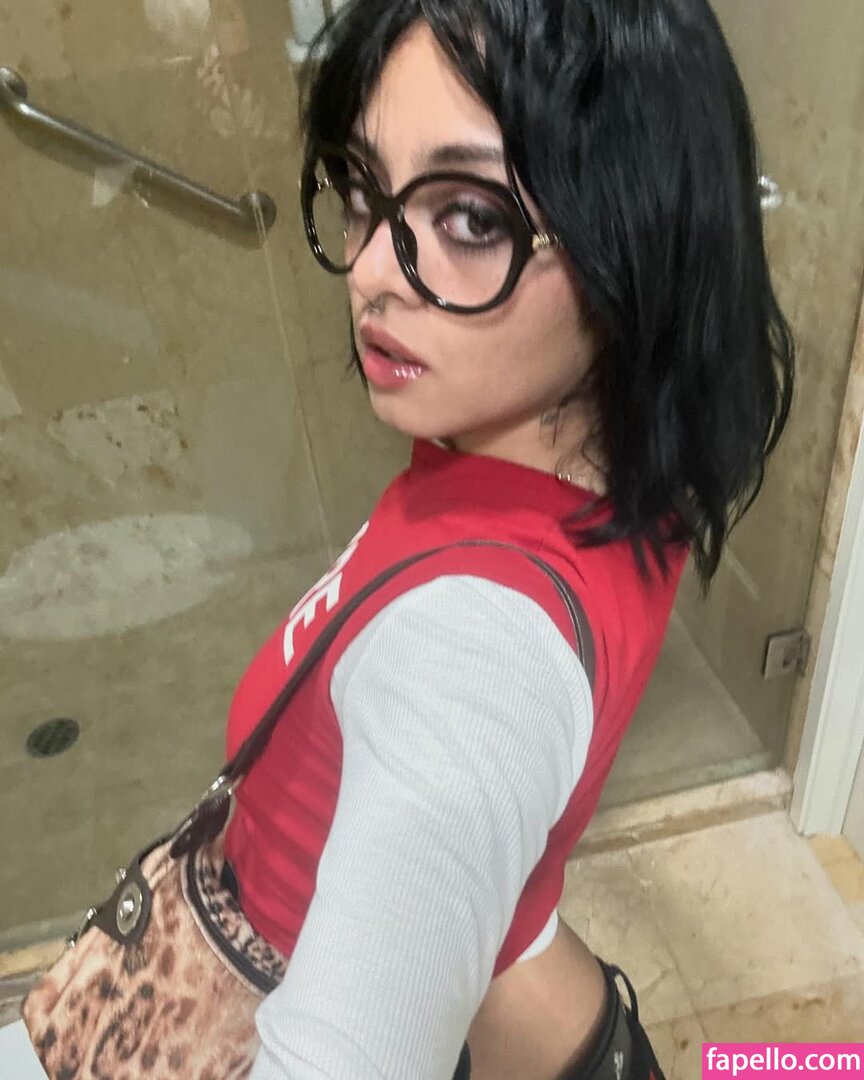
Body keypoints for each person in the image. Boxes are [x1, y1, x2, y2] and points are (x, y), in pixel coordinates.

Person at [221, 1, 795, 1078]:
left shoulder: (468, 653)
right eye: (363, 192)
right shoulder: (613, 471)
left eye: (471, 219)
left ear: (635, 240)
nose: (371, 272)